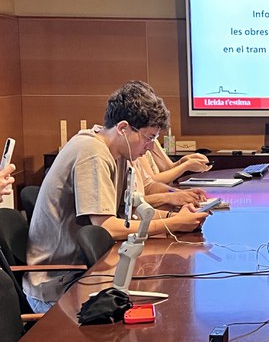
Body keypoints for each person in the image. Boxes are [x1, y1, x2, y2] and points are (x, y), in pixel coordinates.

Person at [25, 80, 210, 313]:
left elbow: (132, 210)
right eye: (148, 137)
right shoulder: (91, 152)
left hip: (90, 270)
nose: (151, 147)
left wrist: (181, 218)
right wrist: (173, 223)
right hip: (61, 284)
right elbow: (107, 227)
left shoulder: (122, 154)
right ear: (123, 128)